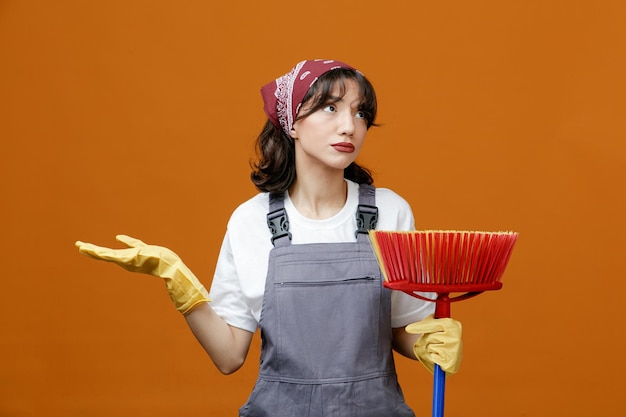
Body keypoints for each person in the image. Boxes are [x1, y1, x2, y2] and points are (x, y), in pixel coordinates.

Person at [76, 59, 463, 416]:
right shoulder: (251, 221)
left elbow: (404, 330)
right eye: (331, 108)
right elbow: (228, 356)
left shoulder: (391, 213)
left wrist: (429, 345)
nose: (349, 126)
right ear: (292, 122)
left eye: (360, 112)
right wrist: (178, 283)